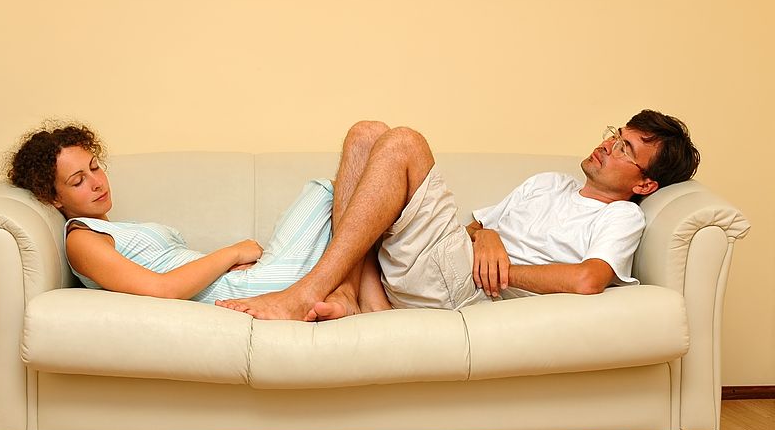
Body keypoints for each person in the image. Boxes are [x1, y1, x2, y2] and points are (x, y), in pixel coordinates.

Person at [215, 109, 700, 321]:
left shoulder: (622, 219)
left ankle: (307, 293)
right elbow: (472, 226)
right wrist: (485, 236)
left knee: (404, 141)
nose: (606, 145)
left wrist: (498, 267)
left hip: (472, 290)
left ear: (644, 185)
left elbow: (588, 281)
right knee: (367, 133)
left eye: (624, 148)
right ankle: (351, 295)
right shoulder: (547, 184)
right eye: (615, 134)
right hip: (453, 264)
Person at [6, 123, 340, 303]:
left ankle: (353, 294)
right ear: (53, 198)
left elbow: (178, 268)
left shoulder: (113, 228)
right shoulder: (82, 239)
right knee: (326, 191)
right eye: (78, 180)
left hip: (245, 277)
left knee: (348, 190)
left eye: (95, 167)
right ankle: (359, 296)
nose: (96, 183)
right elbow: (162, 289)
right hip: (246, 288)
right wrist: (232, 252)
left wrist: (231, 261)